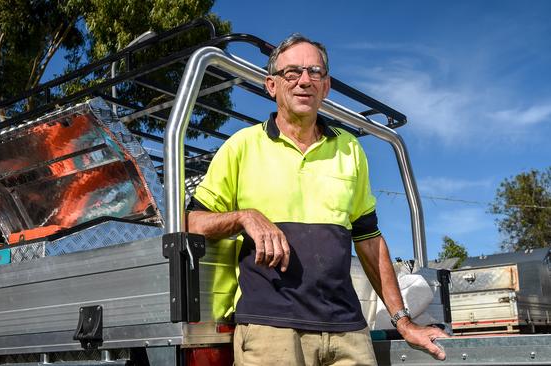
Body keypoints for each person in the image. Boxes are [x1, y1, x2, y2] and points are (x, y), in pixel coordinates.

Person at [187, 33, 447, 365]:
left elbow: (369, 240)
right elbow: (190, 222)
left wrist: (404, 321)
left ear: (326, 87)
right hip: (270, 329)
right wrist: (244, 217)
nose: (305, 81)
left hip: (347, 331)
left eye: (315, 73)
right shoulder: (241, 146)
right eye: (292, 73)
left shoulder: (350, 149)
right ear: (271, 85)